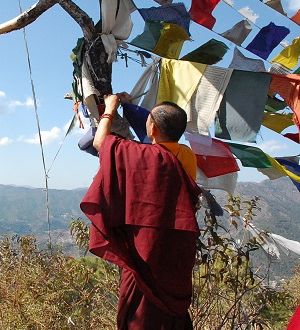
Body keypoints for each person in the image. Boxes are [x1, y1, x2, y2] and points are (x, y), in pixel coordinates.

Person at [80, 93, 202, 329]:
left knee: (143, 313)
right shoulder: (186, 155)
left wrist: (110, 108)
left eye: (148, 122)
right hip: (177, 246)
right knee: (172, 312)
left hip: (145, 248)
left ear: (153, 128)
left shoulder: (142, 154)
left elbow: (99, 143)